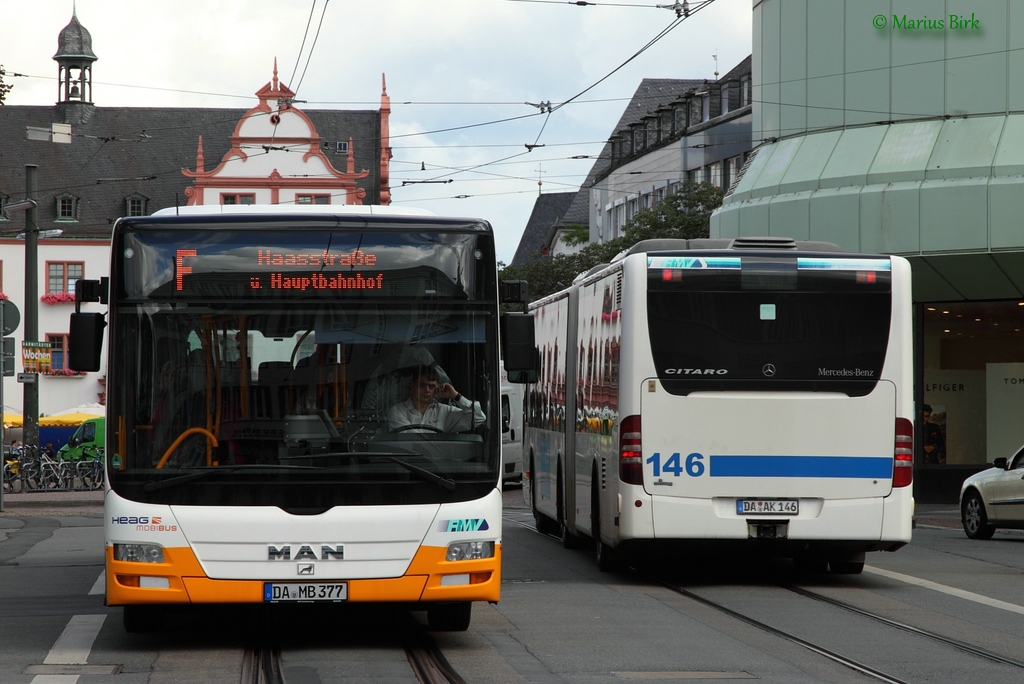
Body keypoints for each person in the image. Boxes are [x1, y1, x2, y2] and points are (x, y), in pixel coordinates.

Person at [386, 365, 485, 433]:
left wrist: (456, 396)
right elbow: (411, 442)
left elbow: (479, 418)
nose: (427, 390)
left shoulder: (445, 411)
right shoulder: (397, 411)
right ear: (412, 385)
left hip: (440, 463)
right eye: (422, 385)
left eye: (431, 386)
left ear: (437, 388)